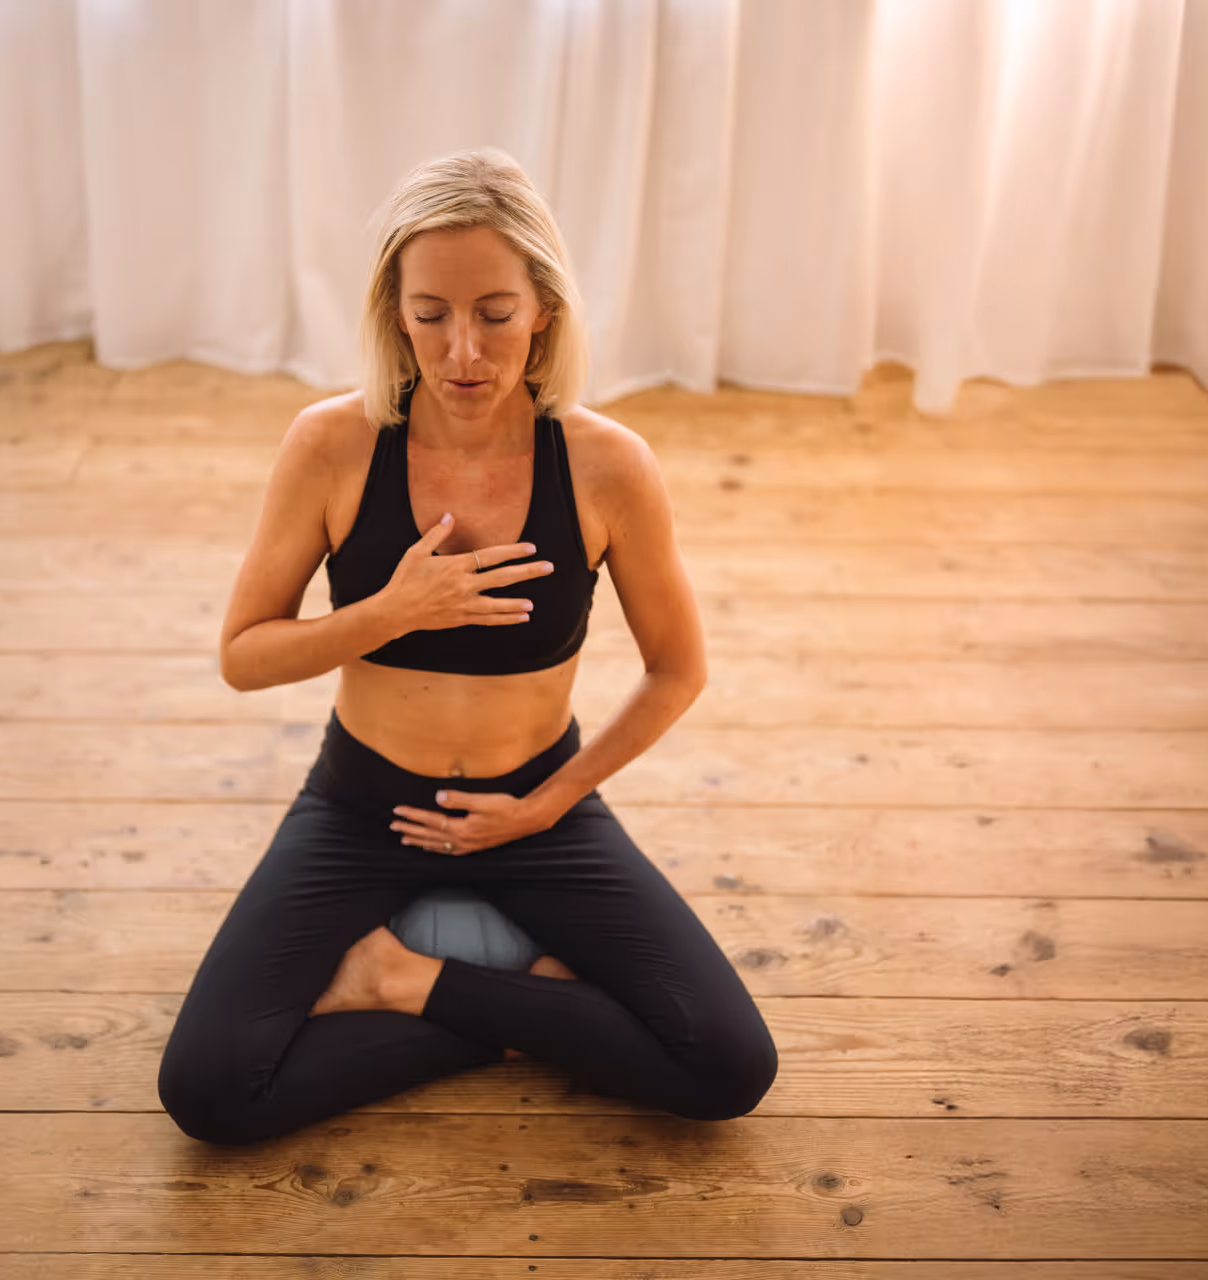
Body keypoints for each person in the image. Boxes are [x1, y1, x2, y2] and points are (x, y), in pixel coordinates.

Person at [156, 148, 778, 1145]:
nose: (461, 353)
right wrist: (388, 611)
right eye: (429, 313)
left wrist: (547, 802)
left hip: (532, 804)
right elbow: (245, 652)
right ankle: (540, 1013)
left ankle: (399, 979)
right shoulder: (334, 443)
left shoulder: (608, 464)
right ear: (392, 312)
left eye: (494, 313)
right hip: (365, 804)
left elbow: (678, 669)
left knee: (728, 1066)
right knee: (209, 1089)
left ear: (545, 311)